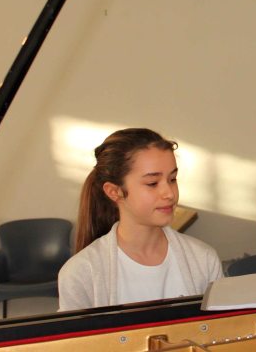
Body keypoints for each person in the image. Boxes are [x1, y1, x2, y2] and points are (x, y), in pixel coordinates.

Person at [58, 128, 222, 311]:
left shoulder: (204, 260)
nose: (169, 193)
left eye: (172, 179)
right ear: (114, 192)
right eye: (152, 183)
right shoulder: (80, 273)